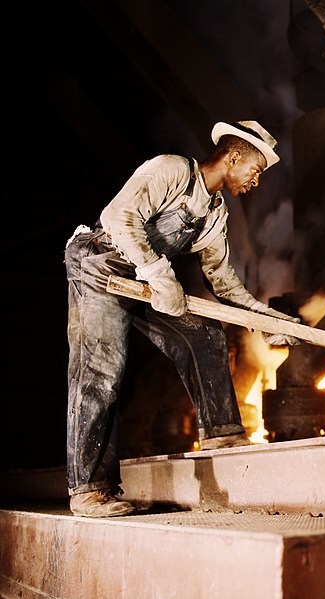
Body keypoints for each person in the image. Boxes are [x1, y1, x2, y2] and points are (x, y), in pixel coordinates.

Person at [64, 120, 298, 518]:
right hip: (100, 268)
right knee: (101, 369)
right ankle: (88, 489)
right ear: (234, 155)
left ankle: (222, 435)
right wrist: (157, 272)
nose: (256, 181)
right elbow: (119, 216)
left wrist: (265, 319)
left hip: (145, 281)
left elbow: (223, 282)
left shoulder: (214, 214)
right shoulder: (171, 170)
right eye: (256, 171)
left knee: (205, 335)